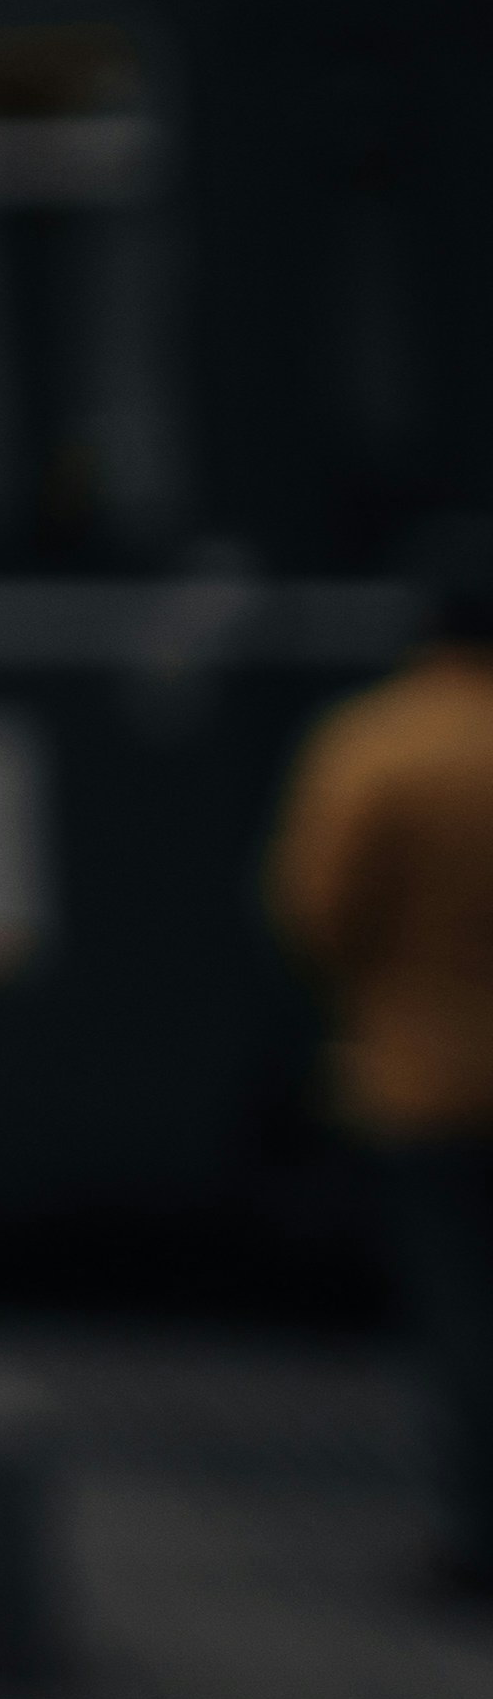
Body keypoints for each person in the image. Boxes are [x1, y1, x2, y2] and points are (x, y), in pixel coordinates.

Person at [272, 513, 493, 1600]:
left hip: (424, 1081)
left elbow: (319, 908)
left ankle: (472, 1537)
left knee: (461, 1318)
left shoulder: (379, 745)